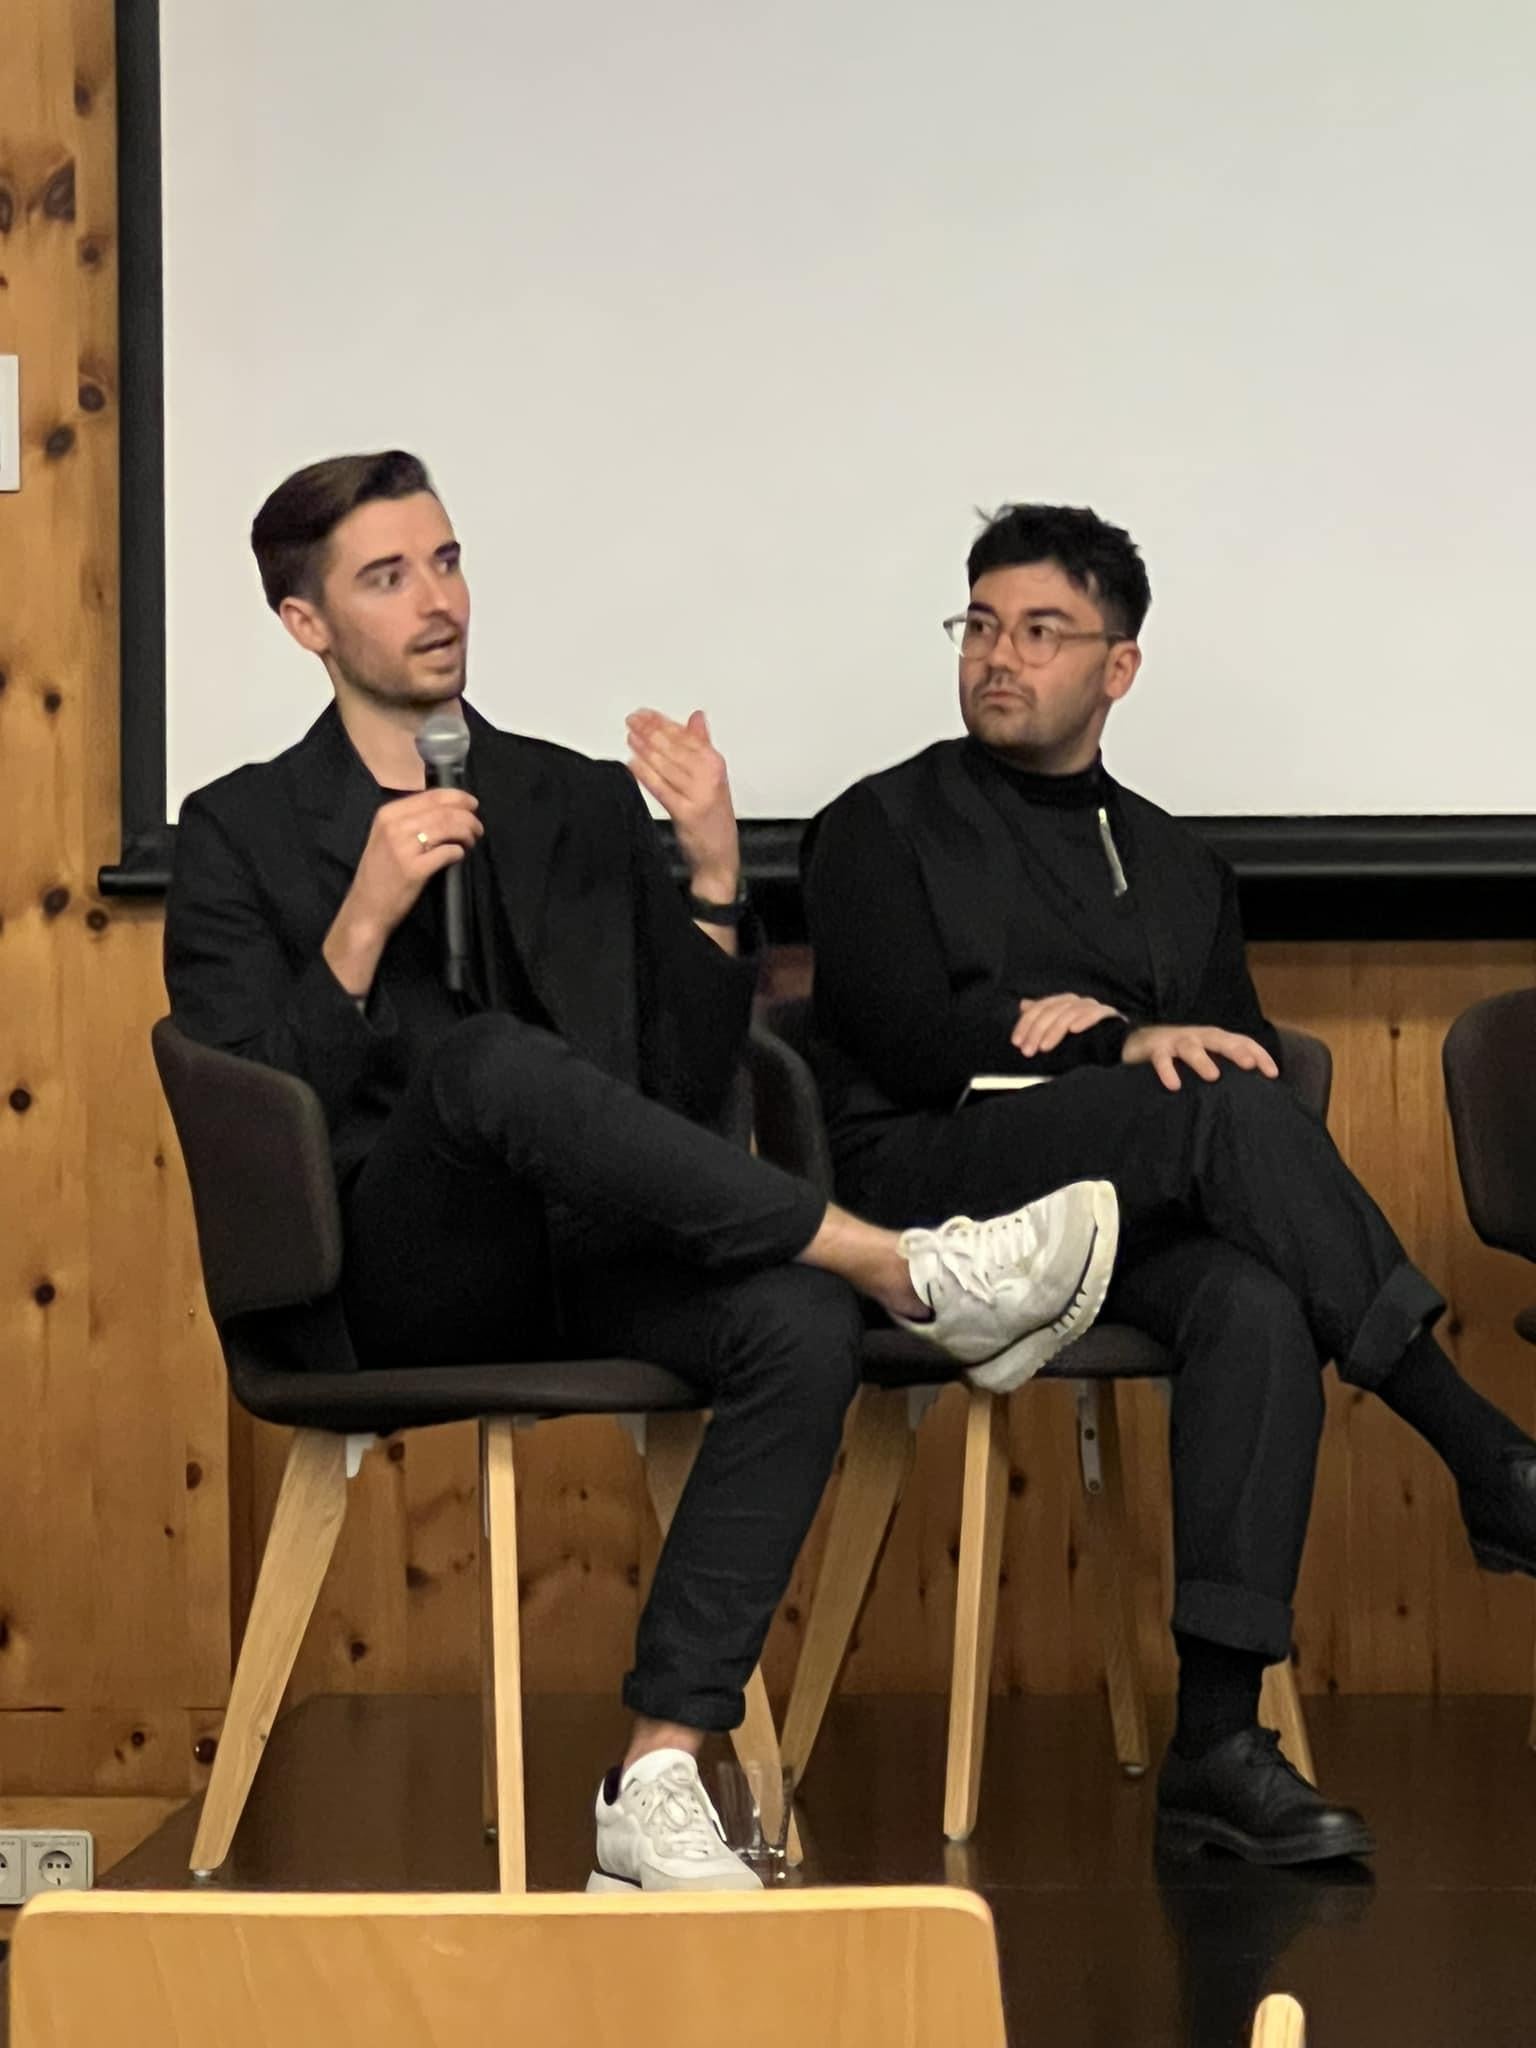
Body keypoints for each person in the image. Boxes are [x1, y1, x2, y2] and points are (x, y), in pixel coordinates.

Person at [163, 454, 1120, 1894]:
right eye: (387, 577)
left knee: (793, 1327)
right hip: (386, 1273)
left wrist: (718, 882)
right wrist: (361, 923)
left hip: (595, 1249)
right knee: (482, 1067)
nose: (439, 603)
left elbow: (677, 1095)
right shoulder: (237, 830)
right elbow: (255, 1104)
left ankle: (656, 1772)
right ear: (306, 625)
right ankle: (902, 1263)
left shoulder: (569, 800)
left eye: (447, 560)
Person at [803, 501, 1536, 1866]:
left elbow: (1233, 1046)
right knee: (1209, 1113)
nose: (996, 657)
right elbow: (900, 1037)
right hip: (930, 1197)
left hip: (1120, 1212)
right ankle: (1480, 1449)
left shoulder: (1183, 865)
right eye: (978, 625)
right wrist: (1108, 1035)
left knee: (1254, 1298)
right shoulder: (876, 826)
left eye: (1038, 630)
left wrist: (1130, 1046)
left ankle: (1216, 1743)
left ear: (1117, 668)